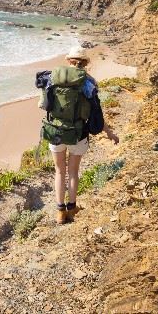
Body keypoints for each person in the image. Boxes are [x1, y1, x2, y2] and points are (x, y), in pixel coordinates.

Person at [49, 46, 119, 224]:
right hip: (78, 133)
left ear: (68, 61)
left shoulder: (53, 77)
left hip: (56, 132)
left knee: (59, 171)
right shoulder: (89, 83)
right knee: (73, 172)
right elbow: (96, 113)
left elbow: (43, 104)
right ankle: (72, 209)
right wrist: (109, 132)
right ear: (85, 63)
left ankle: (60, 212)